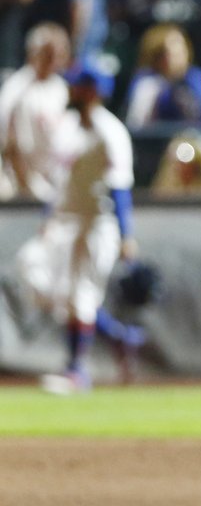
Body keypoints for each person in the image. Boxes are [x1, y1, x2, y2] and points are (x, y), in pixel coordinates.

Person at [13, 58, 141, 394]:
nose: (70, 88)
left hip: (97, 225)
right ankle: (117, 336)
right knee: (33, 269)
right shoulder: (67, 125)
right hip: (64, 222)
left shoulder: (110, 131)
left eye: (78, 84)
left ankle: (76, 370)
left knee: (80, 296)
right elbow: (59, 180)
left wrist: (127, 236)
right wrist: (47, 219)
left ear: (92, 91)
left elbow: (120, 188)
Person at [0, 22, 71, 202]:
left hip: (53, 178)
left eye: (58, 52)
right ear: (34, 52)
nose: (54, 58)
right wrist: (25, 185)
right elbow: (9, 145)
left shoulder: (61, 88)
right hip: (21, 181)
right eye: (48, 52)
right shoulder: (16, 90)